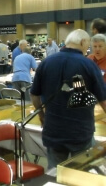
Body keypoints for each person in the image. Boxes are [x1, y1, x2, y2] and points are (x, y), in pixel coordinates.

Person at [30, 29, 106, 170]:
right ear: (83, 42)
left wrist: (42, 117)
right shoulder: (88, 65)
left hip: (53, 130)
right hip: (80, 132)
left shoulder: (46, 62)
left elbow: (34, 95)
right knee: (82, 173)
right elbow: (103, 99)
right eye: (89, 45)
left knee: (54, 172)